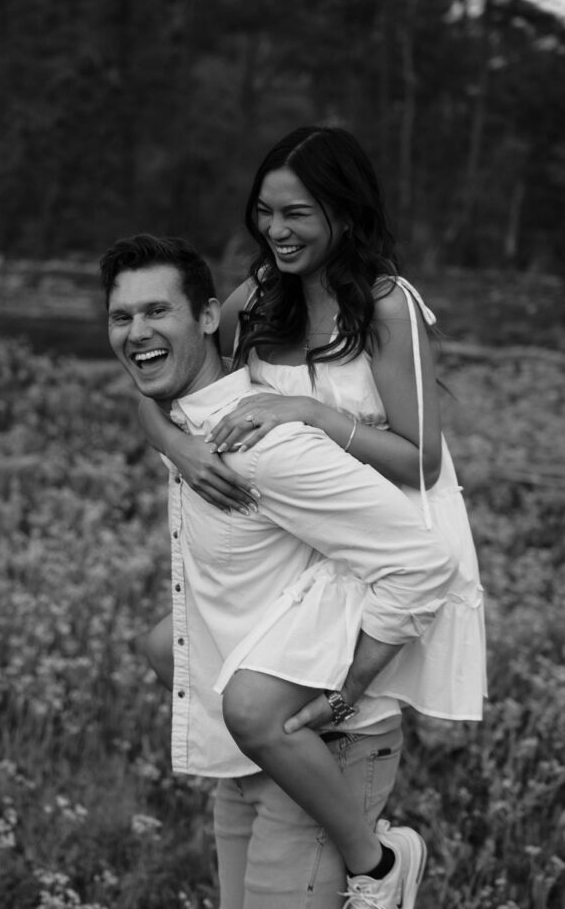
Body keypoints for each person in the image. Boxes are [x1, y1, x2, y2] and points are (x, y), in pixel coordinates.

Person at [102, 233, 460, 909]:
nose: (137, 332)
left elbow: (424, 560)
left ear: (210, 318)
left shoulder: (265, 447)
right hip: (254, 752)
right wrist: (171, 439)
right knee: (159, 645)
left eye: (157, 312)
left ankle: (380, 863)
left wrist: (349, 687)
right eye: (122, 317)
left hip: (320, 744)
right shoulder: (192, 428)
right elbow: (152, 396)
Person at [141, 125, 486, 727]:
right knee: (167, 651)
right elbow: (156, 380)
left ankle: (361, 815)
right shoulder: (259, 296)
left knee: (313, 720)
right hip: (282, 543)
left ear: (346, 215)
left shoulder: (385, 304)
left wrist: (311, 413)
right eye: (265, 212)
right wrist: (179, 447)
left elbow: (423, 463)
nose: (276, 230)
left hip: (366, 547)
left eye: (296, 214)